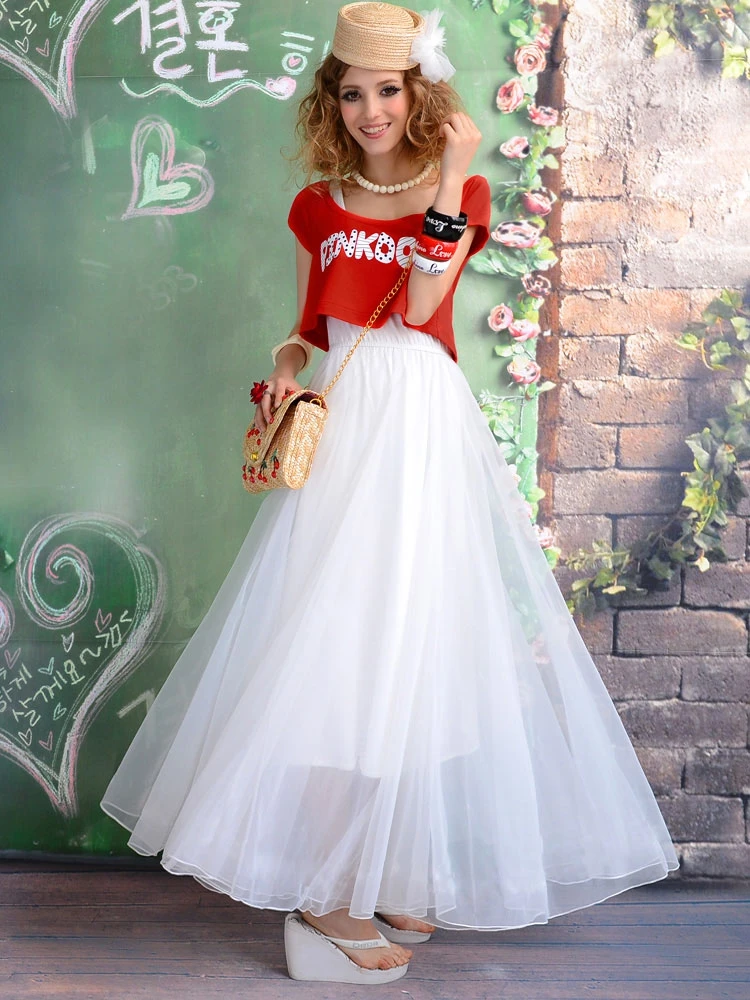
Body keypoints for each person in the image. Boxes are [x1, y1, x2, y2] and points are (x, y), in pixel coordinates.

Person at [100, 1, 679, 987]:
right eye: (352, 93)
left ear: (420, 94)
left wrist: (452, 173)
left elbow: (418, 302)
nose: (370, 111)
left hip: (421, 422)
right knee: (344, 644)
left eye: (388, 90)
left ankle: (388, 865)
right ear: (333, 102)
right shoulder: (317, 207)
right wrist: (287, 372)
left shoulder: (462, 190)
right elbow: (307, 326)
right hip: (347, 424)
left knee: (418, 638)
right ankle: (327, 892)